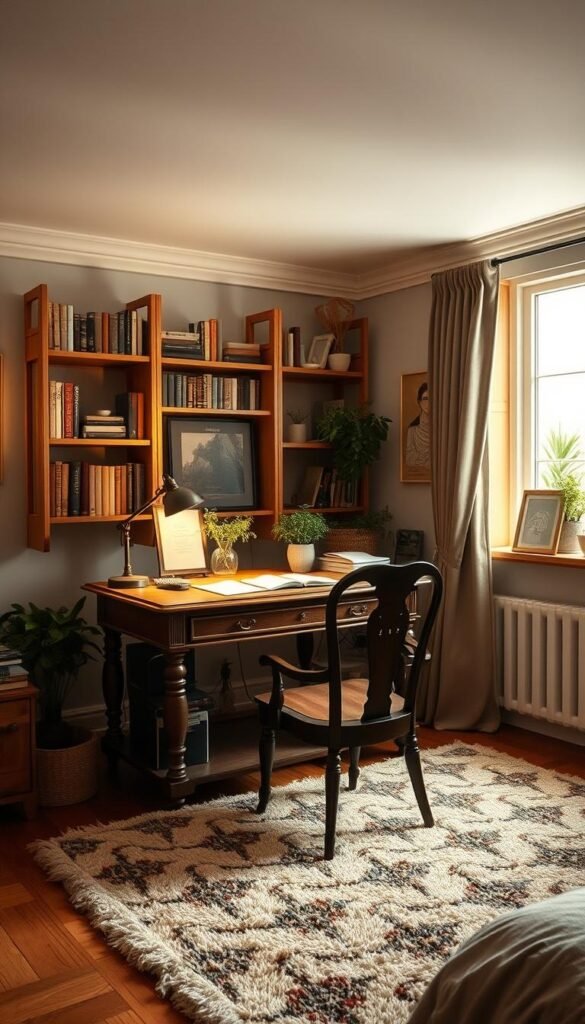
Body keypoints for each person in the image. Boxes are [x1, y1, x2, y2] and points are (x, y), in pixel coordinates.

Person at [405, 382, 430, 470]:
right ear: (419, 401)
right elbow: (409, 458)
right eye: (425, 398)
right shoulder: (412, 429)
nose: (428, 403)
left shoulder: (442, 429)